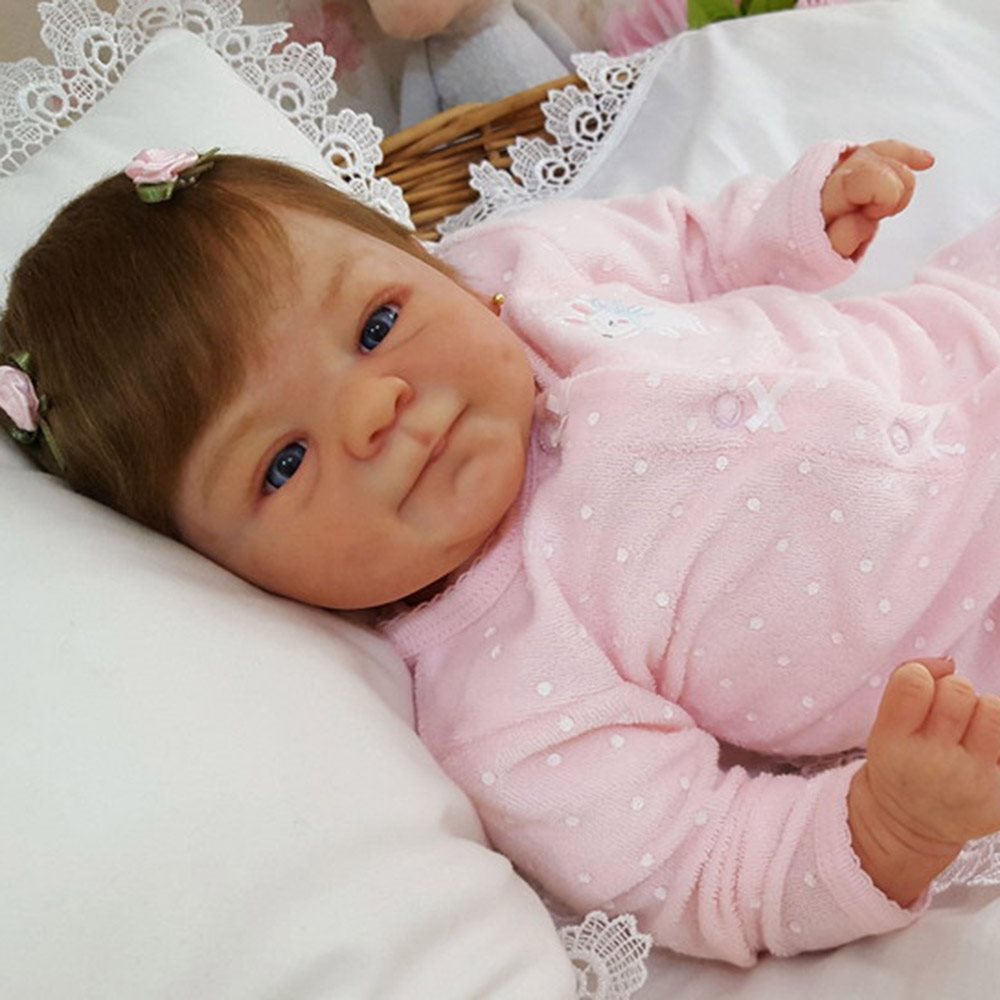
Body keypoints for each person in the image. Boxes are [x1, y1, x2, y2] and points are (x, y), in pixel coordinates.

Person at [4, 139, 1000, 966]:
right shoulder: (506, 693)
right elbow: (706, 862)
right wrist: (889, 826)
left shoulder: (509, 274)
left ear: (420, 259)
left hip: (961, 322)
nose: (371, 408)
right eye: (283, 462)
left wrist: (791, 221)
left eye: (377, 324)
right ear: (227, 572)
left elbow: (685, 245)